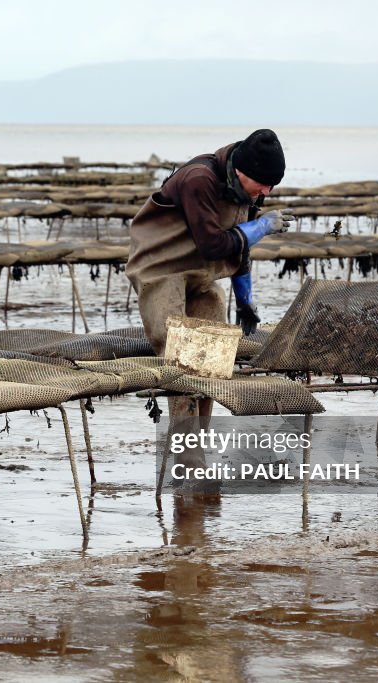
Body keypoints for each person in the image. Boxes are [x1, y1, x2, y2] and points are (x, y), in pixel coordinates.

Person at [127, 129, 293, 480]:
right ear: (241, 171)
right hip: (162, 270)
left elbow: (239, 250)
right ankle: (187, 466)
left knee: (212, 362)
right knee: (181, 360)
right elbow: (213, 244)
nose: (266, 193)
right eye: (262, 185)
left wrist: (246, 304)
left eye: (272, 187)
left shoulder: (248, 190)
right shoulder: (199, 179)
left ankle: (196, 455)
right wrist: (263, 226)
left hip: (201, 277)